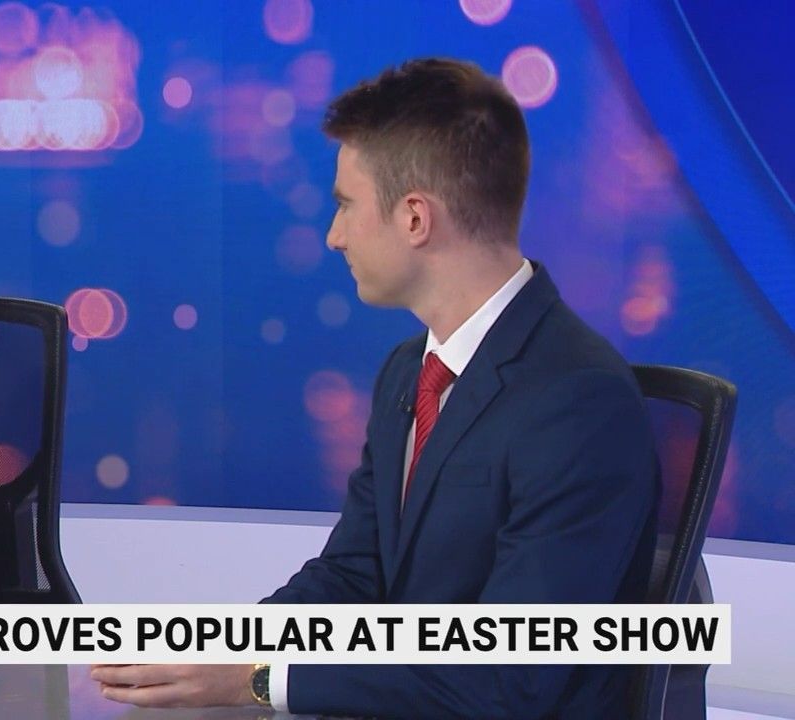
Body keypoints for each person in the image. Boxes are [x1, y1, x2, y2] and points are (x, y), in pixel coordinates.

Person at [92, 58, 659, 718]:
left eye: (345, 205)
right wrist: (222, 648)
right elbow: (356, 575)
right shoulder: (407, 371)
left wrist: (260, 681)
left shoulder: (579, 400)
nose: (333, 236)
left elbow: (509, 677)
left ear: (415, 218)